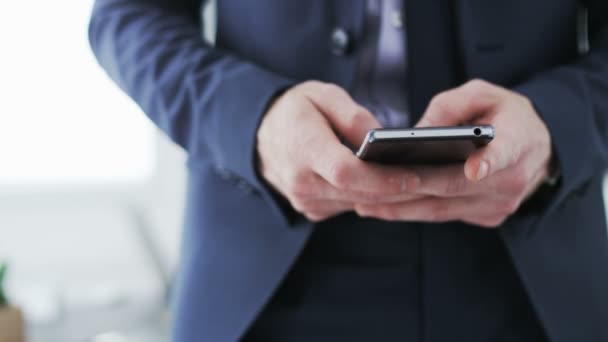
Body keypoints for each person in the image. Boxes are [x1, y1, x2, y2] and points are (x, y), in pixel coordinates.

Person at [88, 0, 608, 341]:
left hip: (532, 273)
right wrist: (252, 121)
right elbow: (128, 15)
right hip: (262, 277)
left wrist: (560, 126)